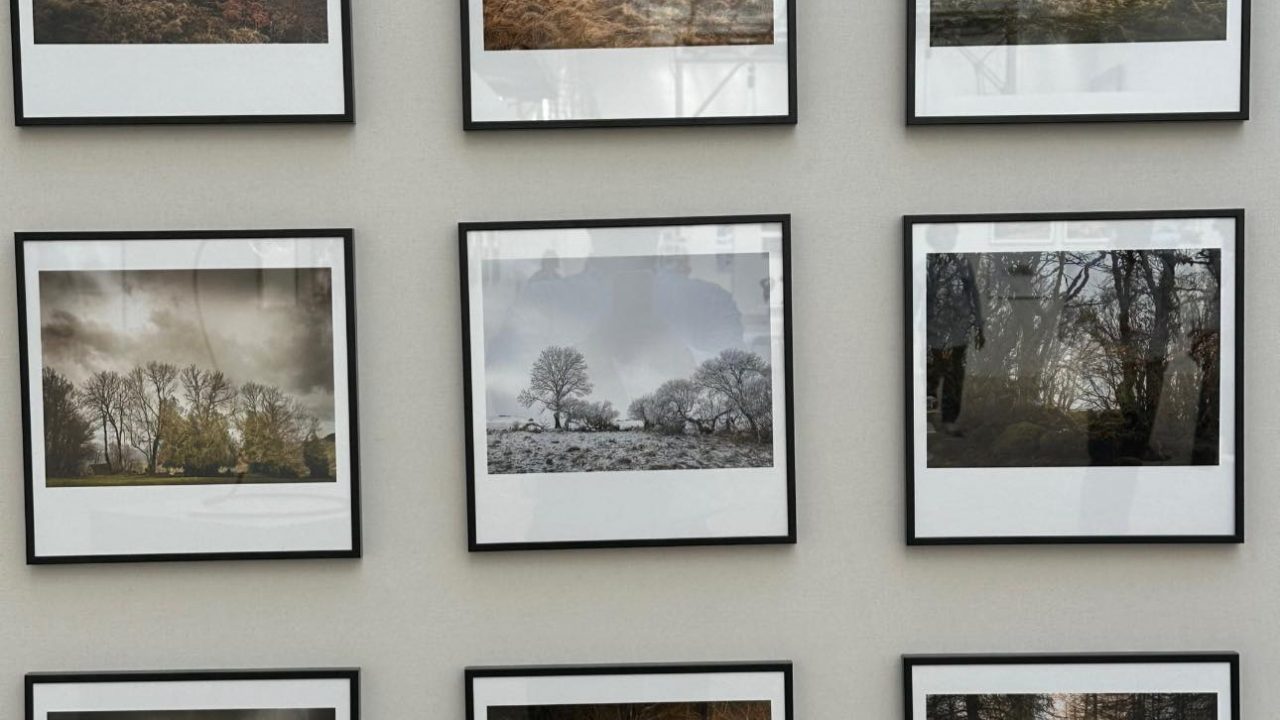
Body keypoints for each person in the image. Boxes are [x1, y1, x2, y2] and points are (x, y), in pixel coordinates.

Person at [925, 230, 984, 436]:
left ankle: (949, 421)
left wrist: (979, 326)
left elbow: (973, 294)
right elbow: (917, 297)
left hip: (959, 330)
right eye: (942, 237)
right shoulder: (925, 263)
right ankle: (927, 420)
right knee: (930, 376)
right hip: (931, 331)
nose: (947, 240)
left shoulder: (962, 264)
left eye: (950, 237)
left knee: (955, 376)